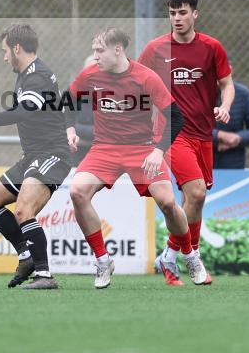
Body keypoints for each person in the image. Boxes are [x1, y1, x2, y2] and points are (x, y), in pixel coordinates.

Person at [66, 27, 208, 289]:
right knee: (77, 192)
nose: (95, 56)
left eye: (100, 50)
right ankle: (102, 260)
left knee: (167, 202)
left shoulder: (146, 77)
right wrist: (70, 128)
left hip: (142, 149)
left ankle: (189, 256)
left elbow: (175, 117)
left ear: (117, 49)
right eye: (94, 51)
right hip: (104, 148)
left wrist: (158, 150)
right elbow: (67, 100)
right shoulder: (90, 75)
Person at [0, 24, 72, 290]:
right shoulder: (27, 75)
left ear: (16, 48)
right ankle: (26, 255)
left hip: (52, 156)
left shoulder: (38, 76)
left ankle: (44, 276)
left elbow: (24, 112)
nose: (4, 57)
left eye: (5, 51)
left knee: (23, 210)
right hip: (32, 157)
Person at [139, 0, 233, 286]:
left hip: (203, 135)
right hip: (171, 133)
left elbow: (227, 84)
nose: (176, 19)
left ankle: (169, 254)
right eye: (171, 13)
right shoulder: (156, 49)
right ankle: (191, 258)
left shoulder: (211, 47)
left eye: (182, 13)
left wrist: (225, 106)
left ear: (195, 14)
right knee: (196, 193)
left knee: (194, 201)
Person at [213, 78, 249, 169]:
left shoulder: (242, 94)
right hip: (199, 164)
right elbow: (186, 127)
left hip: (233, 166)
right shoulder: (193, 92)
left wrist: (237, 138)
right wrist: (218, 135)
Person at [69, 55, 97, 167]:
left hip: (104, 148)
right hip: (78, 147)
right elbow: (67, 123)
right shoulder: (73, 93)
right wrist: (95, 131)